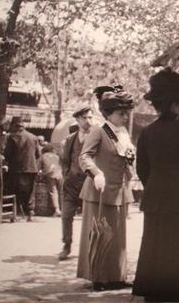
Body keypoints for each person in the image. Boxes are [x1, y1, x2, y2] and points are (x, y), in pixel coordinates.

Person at [133, 68, 179, 302]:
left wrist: (156, 185)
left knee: (156, 246)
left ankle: (155, 290)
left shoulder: (147, 132)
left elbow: (142, 169)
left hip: (156, 198)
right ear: (175, 103)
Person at [77, 90, 135, 292]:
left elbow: (126, 160)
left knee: (118, 237)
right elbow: (84, 156)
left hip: (119, 191)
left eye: (126, 113)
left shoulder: (124, 134)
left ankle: (117, 276)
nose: (125, 117)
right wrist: (95, 173)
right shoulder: (98, 131)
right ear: (109, 113)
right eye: (121, 113)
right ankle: (98, 277)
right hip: (99, 190)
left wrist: (132, 172)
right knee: (99, 234)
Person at [58, 105, 93, 261]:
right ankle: (67, 245)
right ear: (78, 119)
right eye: (85, 118)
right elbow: (65, 160)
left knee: (91, 218)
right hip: (72, 184)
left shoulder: (96, 136)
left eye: (90, 117)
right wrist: (67, 175)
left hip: (90, 184)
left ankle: (90, 248)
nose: (88, 121)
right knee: (66, 215)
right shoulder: (71, 139)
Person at [4, 116, 41, 222]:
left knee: (14, 191)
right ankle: (30, 214)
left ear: (15, 125)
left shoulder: (12, 137)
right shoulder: (34, 137)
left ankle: (15, 215)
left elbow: (7, 154)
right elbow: (38, 154)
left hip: (16, 169)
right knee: (30, 192)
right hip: (31, 168)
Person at [37, 144, 63, 217]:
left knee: (53, 192)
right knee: (61, 192)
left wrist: (41, 174)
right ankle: (62, 209)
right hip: (60, 174)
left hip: (50, 175)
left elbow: (38, 168)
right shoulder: (57, 156)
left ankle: (57, 210)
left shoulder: (43, 156)